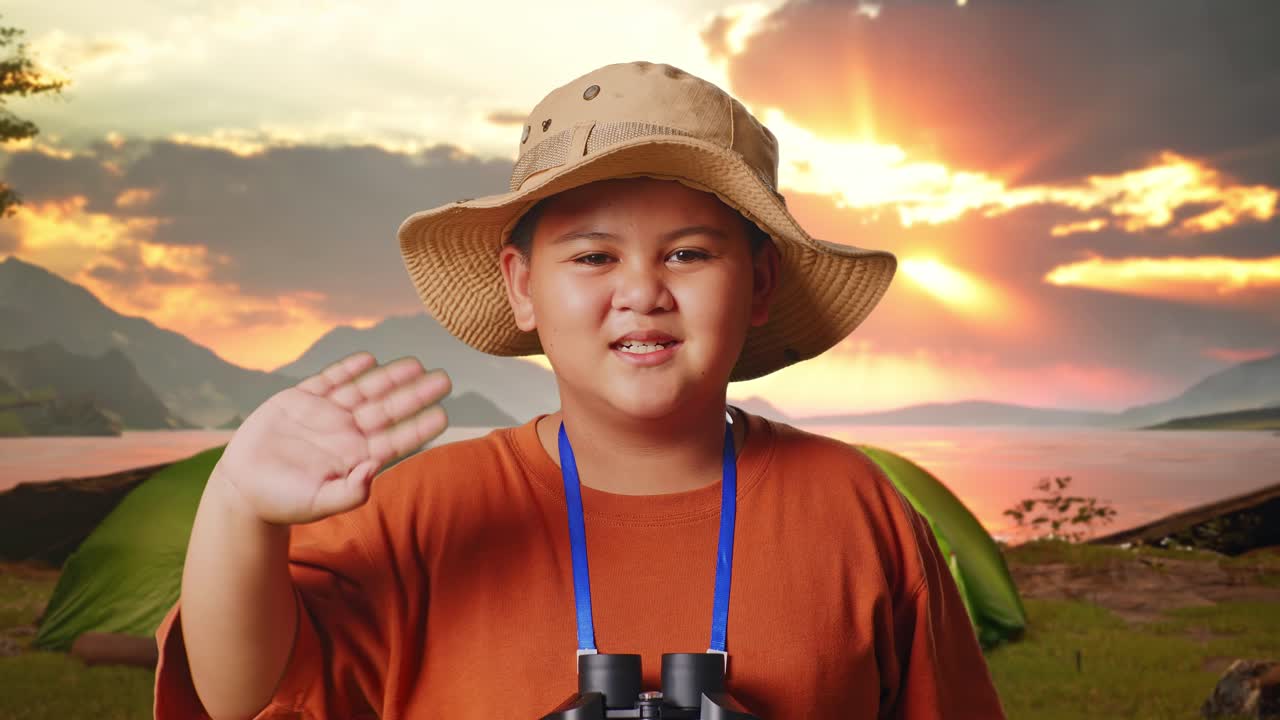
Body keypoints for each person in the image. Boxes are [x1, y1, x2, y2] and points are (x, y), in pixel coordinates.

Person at [153, 61, 1007, 719]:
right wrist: (238, 505)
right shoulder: (424, 513)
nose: (641, 291)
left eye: (689, 254)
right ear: (522, 286)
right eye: (594, 256)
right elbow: (241, 695)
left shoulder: (856, 509)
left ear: (759, 284)